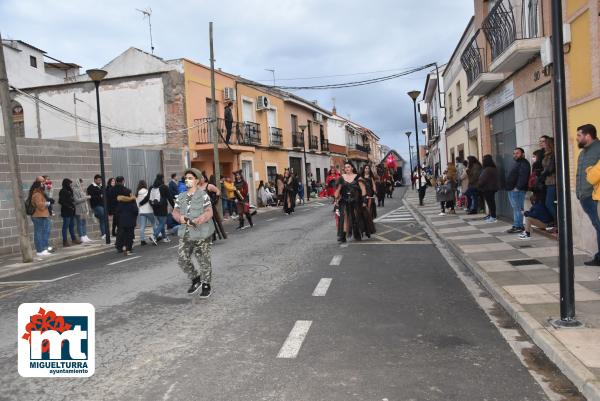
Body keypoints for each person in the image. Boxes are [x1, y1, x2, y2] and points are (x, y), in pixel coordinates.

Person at [172, 168, 215, 297]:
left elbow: (209, 212)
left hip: (201, 232)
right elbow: (175, 212)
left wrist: (200, 219)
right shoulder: (181, 196)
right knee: (182, 258)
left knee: (203, 260)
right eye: (186, 178)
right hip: (186, 232)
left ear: (197, 180)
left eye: (190, 178)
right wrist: (180, 218)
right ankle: (196, 279)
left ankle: (206, 284)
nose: (187, 180)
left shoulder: (203, 195)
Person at [576, 124, 600, 265]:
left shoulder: (598, 148)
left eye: (579, 135)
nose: (577, 138)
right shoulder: (583, 152)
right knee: (597, 226)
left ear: (588, 136)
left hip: (594, 196)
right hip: (584, 196)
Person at [334, 161, 373, 242]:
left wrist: (364, 201)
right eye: (345, 167)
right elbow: (338, 189)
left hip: (356, 201)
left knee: (356, 217)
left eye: (348, 167)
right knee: (344, 217)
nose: (347, 168)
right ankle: (343, 236)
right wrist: (336, 199)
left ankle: (357, 234)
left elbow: (363, 190)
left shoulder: (358, 177)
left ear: (352, 168)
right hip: (344, 201)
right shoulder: (341, 178)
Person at [505, 148, 531, 233]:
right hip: (512, 189)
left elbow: (523, 176)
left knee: (518, 208)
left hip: (517, 190)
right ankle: (517, 225)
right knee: (516, 208)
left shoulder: (524, 163)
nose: (515, 155)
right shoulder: (517, 163)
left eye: (517, 153)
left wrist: (517, 188)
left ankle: (518, 226)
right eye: (514, 153)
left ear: (522, 154)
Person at [149, 174, 175, 245]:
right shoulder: (164, 187)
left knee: (161, 223)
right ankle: (154, 236)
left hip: (155, 208)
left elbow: (149, 198)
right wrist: (174, 206)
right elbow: (170, 198)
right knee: (162, 223)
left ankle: (164, 237)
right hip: (162, 208)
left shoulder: (152, 187)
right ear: (162, 179)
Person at [28, 180, 52, 256]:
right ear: (38, 186)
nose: (44, 185)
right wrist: (47, 203)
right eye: (42, 184)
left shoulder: (40, 193)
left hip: (42, 215)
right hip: (38, 216)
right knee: (39, 233)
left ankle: (43, 249)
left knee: (43, 233)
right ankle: (39, 250)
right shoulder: (37, 194)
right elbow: (40, 205)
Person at [114, 188, 138, 255]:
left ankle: (122, 247)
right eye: (130, 193)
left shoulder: (120, 201)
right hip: (131, 221)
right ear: (128, 194)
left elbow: (117, 211)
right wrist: (134, 216)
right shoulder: (132, 201)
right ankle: (128, 249)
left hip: (122, 221)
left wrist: (119, 218)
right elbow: (136, 211)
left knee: (123, 235)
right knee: (130, 235)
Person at [539, 136, 556, 226]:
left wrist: (542, 174)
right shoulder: (545, 154)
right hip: (548, 181)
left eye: (544, 142)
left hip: (552, 181)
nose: (542, 143)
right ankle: (555, 222)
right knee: (549, 203)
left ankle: (557, 223)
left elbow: (550, 168)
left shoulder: (552, 154)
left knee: (549, 203)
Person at [58, 178, 80, 247]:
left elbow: (71, 199)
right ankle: (65, 241)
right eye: (70, 184)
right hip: (66, 211)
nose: (71, 185)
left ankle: (74, 239)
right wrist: (69, 206)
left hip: (71, 211)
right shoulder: (62, 191)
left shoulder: (70, 190)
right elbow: (61, 201)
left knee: (72, 226)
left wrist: (72, 204)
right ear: (66, 184)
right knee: (65, 226)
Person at [478, 155, 500, 223]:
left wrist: (478, 184)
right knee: (491, 203)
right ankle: (491, 215)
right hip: (491, 188)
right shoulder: (493, 168)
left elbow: (482, 180)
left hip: (488, 188)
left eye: (483, 159)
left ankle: (493, 217)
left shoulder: (487, 169)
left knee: (490, 203)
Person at [87, 174, 107, 240]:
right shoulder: (91, 187)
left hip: (102, 204)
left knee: (104, 219)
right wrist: (100, 196)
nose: (100, 181)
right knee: (102, 217)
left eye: (100, 180)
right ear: (95, 179)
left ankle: (105, 233)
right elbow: (91, 197)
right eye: (98, 180)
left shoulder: (102, 186)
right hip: (96, 205)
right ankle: (104, 234)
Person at [136, 180, 155, 246]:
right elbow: (150, 200)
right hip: (149, 210)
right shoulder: (147, 192)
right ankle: (156, 236)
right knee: (154, 223)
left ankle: (142, 240)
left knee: (142, 226)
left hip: (141, 211)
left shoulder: (137, 193)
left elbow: (137, 203)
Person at [73, 178, 92, 243]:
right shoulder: (75, 190)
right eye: (80, 182)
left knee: (84, 222)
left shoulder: (81, 190)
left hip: (84, 208)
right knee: (80, 223)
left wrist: (85, 197)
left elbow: (83, 199)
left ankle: (85, 235)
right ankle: (81, 236)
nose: (82, 184)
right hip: (79, 209)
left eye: (82, 183)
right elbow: (76, 200)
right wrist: (86, 197)